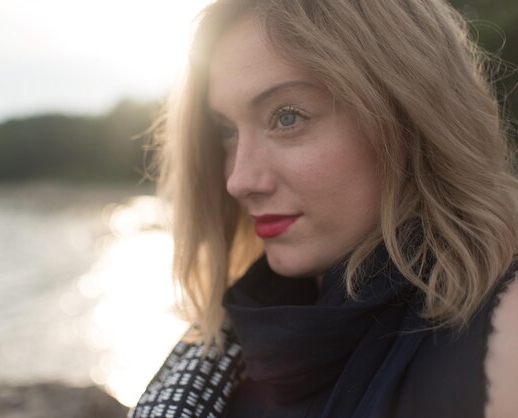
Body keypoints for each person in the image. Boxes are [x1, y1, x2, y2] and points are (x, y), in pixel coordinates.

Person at [130, 0, 518, 417]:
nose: (238, 180)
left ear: (409, 117)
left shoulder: (502, 336)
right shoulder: (226, 344)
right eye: (226, 130)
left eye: (288, 117)